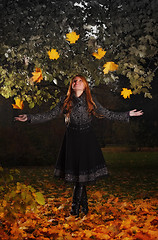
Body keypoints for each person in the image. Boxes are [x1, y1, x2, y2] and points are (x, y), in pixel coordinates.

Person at [15, 75, 143, 217]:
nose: (76, 82)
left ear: (85, 85)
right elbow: (50, 114)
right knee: (78, 175)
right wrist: (29, 118)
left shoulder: (91, 100)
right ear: (71, 85)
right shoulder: (65, 101)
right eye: (74, 81)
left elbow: (107, 113)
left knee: (80, 176)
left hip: (87, 140)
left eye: (80, 80)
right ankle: (84, 209)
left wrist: (127, 114)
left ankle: (74, 210)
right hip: (72, 140)